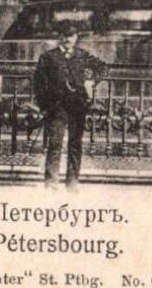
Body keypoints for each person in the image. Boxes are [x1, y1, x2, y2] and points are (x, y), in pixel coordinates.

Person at [34, 22, 106, 191]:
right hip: (56, 108)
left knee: (75, 144)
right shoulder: (48, 57)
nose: (68, 39)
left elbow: (103, 68)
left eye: (72, 35)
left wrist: (92, 81)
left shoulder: (82, 55)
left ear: (76, 37)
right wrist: (44, 106)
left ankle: (72, 181)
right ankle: (51, 181)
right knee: (55, 143)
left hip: (77, 108)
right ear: (60, 37)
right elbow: (38, 84)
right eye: (65, 35)